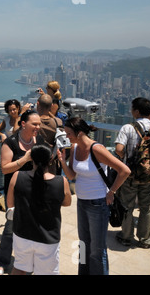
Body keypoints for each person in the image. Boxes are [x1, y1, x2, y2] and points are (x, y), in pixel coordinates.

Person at [57, 117, 130, 275]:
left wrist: (112, 191)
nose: (67, 136)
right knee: (83, 244)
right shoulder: (75, 148)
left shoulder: (97, 149)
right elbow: (71, 176)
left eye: (69, 133)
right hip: (81, 202)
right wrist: (63, 161)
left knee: (97, 250)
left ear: (80, 132)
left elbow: (124, 171)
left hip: (97, 203)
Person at [0, 110, 44, 275]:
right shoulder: (11, 143)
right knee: (10, 229)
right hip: (14, 193)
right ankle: (2, 263)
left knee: (33, 229)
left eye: (39, 124)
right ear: (23, 124)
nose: (38, 127)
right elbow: (5, 168)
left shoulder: (39, 141)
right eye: (34, 124)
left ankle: (29, 261)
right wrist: (25, 159)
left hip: (35, 192)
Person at [7, 145, 71, 275]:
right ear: (51, 159)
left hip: (22, 234)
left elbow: (10, 203)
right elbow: (67, 202)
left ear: (31, 159)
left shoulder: (17, 176)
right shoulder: (61, 181)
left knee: (19, 268)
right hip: (48, 238)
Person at [114, 97, 150, 248]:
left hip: (130, 175)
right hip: (149, 176)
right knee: (147, 208)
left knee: (127, 206)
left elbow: (118, 149)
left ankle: (126, 237)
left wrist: (125, 158)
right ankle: (145, 239)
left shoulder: (128, 128)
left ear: (136, 111)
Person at [36, 94, 63, 174]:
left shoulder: (33, 122)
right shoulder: (58, 122)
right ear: (51, 105)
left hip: (35, 160)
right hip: (52, 161)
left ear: (38, 104)